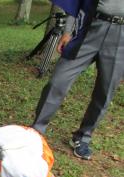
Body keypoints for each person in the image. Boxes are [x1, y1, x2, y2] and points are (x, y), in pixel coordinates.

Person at [31, 0, 124, 160]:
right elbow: (76, 3)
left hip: (121, 39)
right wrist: (67, 31)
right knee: (57, 82)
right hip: (90, 30)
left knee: (105, 92)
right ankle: (37, 131)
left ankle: (82, 138)